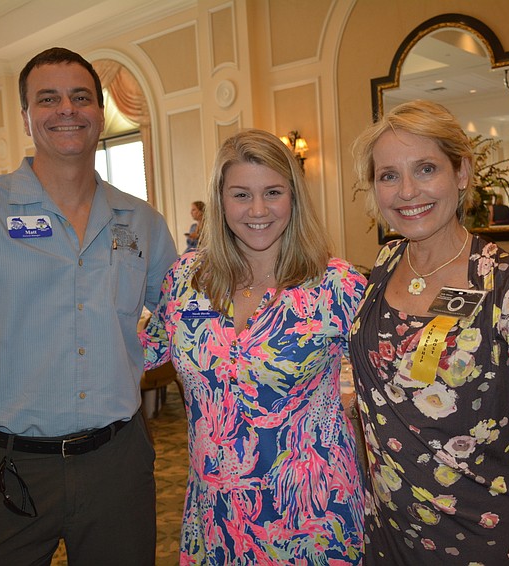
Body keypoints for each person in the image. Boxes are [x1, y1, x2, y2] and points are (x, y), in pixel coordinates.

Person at [0, 47, 177, 564]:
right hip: (5, 468)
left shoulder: (142, 223)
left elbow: (188, 327)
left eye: (81, 97)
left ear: (99, 110)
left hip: (117, 462)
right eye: (48, 99)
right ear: (26, 117)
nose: (66, 109)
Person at [350, 100, 509, 565]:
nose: (407, 191)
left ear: (462, 172)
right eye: (388, 175)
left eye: (425, 168)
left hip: (481, 534)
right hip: (387, 533)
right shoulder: (383, 268)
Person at [141, 129, 366, 564]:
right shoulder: (187, 281)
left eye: (273, 193)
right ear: (220, 201)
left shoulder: (336, 286)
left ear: (294, 198)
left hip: (314, 514)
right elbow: (132, 356)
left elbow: (392, 388)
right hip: (218, 513)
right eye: (241, 194)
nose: (258, 210)